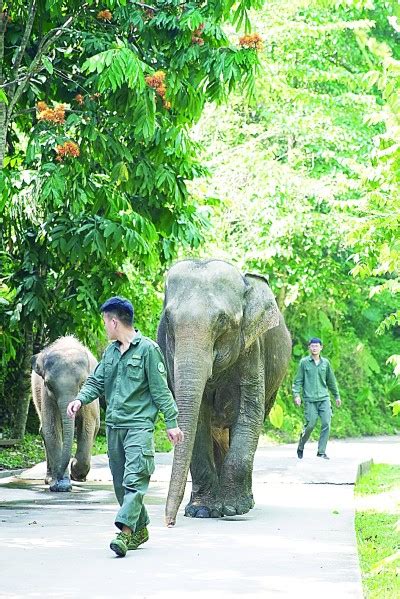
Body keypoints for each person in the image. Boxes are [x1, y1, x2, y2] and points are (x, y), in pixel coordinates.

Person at [67, 296, 184, 557]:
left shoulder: (148, 351)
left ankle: (125, 534)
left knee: (135, 479)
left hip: (139, 427)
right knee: (121, 484)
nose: (105, 328)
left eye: (105, 322)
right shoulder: (109, 353)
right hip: (115, 427)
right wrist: (79, 400)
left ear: (114, 321)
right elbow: (95, 383)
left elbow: (160, 390)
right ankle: (140, 527)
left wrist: (172, 423)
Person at [292, 337, 341, 460]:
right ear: (309, 348)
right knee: (310, 425)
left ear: (321, 347)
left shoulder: (326, 363)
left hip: (324, 399)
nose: (314, 348)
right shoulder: (304, 363)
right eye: (312, 346)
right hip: (310, 400)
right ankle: (301, 445)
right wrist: (296, 395)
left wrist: (336, 396)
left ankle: (321, 451)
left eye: (316, 346)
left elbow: (331, 381)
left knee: (326, 423)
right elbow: (298, 381)